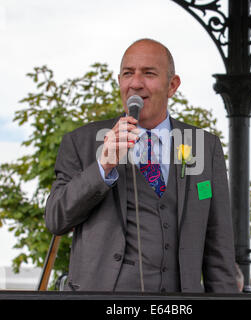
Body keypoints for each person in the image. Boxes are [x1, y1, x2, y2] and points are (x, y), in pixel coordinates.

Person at [45, 38, 238, 293]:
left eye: (148, 73)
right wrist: (103, 165)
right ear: (119, 82)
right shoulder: (82, 142)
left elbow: (219, 246)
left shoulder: (202, 147)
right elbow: (56, 218)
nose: (136, 83)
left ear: (172, 85)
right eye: (128, 74)